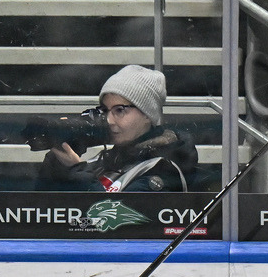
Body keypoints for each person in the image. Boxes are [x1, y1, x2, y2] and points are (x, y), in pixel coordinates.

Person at [36, 65, 198, 192]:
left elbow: (119, 221)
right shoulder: (107, 160)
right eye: (105, 111)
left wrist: (77, 171)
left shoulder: (164, 168)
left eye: (119, 110)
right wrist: (56, 166)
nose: (109, 120)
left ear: (148, 114)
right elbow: (43, 209)